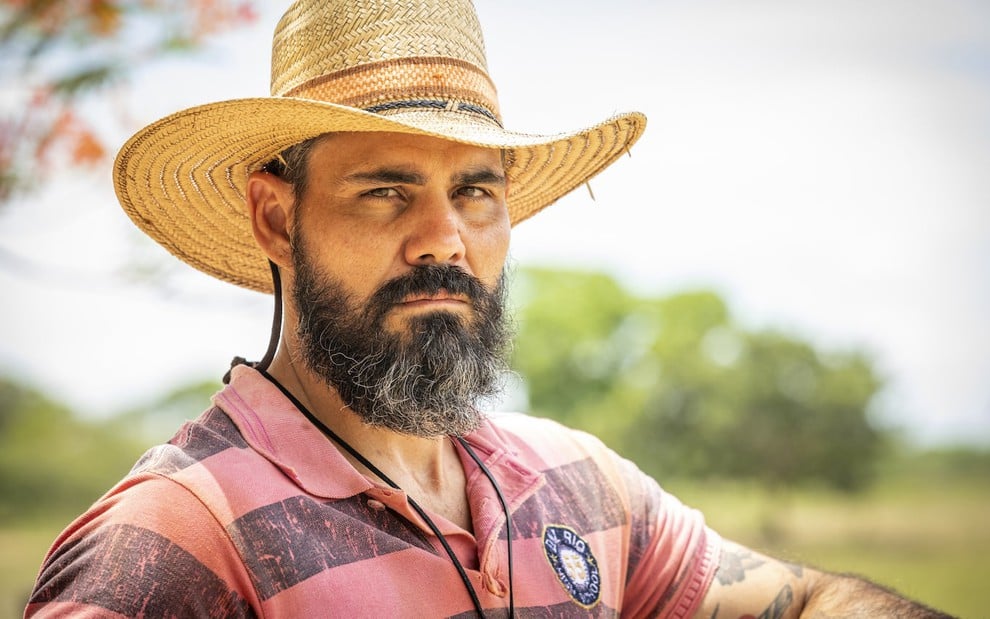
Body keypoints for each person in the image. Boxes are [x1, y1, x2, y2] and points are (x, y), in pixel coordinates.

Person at [27, 1, 952, 617]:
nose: (444, 239)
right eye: (386, 192)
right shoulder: (176, 543)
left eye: (475, 191)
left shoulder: (578, 486)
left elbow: (807, 605)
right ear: (276, 214)